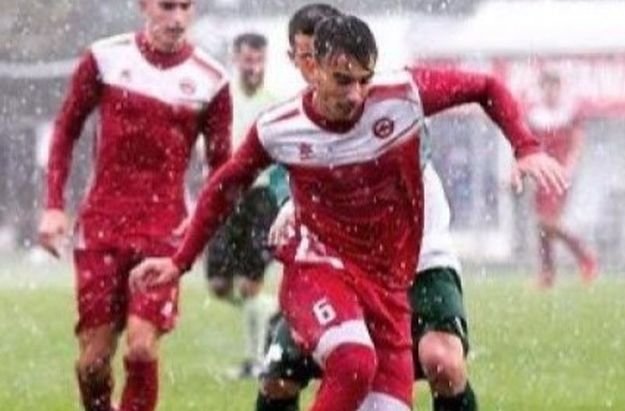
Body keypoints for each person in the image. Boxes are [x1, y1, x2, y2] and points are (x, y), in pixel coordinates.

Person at [130, 15, 566, 411]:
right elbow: (226, 184)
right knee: (350, 362)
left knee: (412, 377)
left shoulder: (402, 95)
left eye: (364, 80)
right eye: (343, 80)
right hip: (320, 270)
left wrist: (525, 147)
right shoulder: (280, 127)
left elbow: (486, 87)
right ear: (313, 68)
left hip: (389, 287)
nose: (356, 94)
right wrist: (179, 261)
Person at [256, 5, 476, 411]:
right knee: (279, 376)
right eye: (304, 58)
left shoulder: (389, 101)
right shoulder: (291, 122)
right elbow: (271, 169)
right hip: (336, 269)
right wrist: (289, 201)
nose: (312, 68)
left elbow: (384, 170)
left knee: (442, 362)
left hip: (417, 258)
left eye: (319, 57)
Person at [37, 1, 231, 410]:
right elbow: (66, 129)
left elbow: (221, 167)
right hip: (102, 228)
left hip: (164, 232)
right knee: (93, 364)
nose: (177, 18)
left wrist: (202, 221)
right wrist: (54, 205)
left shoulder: (211, 80)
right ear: (144, 5)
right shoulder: (104, 58)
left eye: (186, 6)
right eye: (167, 6)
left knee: (141, 347)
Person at [203, 32, 281, 379]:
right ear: (236, 59)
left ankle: (255, 361)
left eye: (259, 60)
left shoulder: (274, 104)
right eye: (248, 59)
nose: (254, 67)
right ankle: (272, 310)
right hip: (224, 197)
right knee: (219, 285)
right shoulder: (221, 100)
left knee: (250, 283)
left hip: (259, 199)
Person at [525, 69, 597, 288]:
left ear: (559, 89)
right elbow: (527, 143)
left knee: (548, 222)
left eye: (554, 87)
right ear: (541, 89)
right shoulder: (535, 115)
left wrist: (570, 166)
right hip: (541, 175)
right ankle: (547, 274)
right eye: (546, 87)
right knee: (542, 226)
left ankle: (585, 256)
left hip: (559, 175)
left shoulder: (568, 114)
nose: (550, 92)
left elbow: (577, 142)